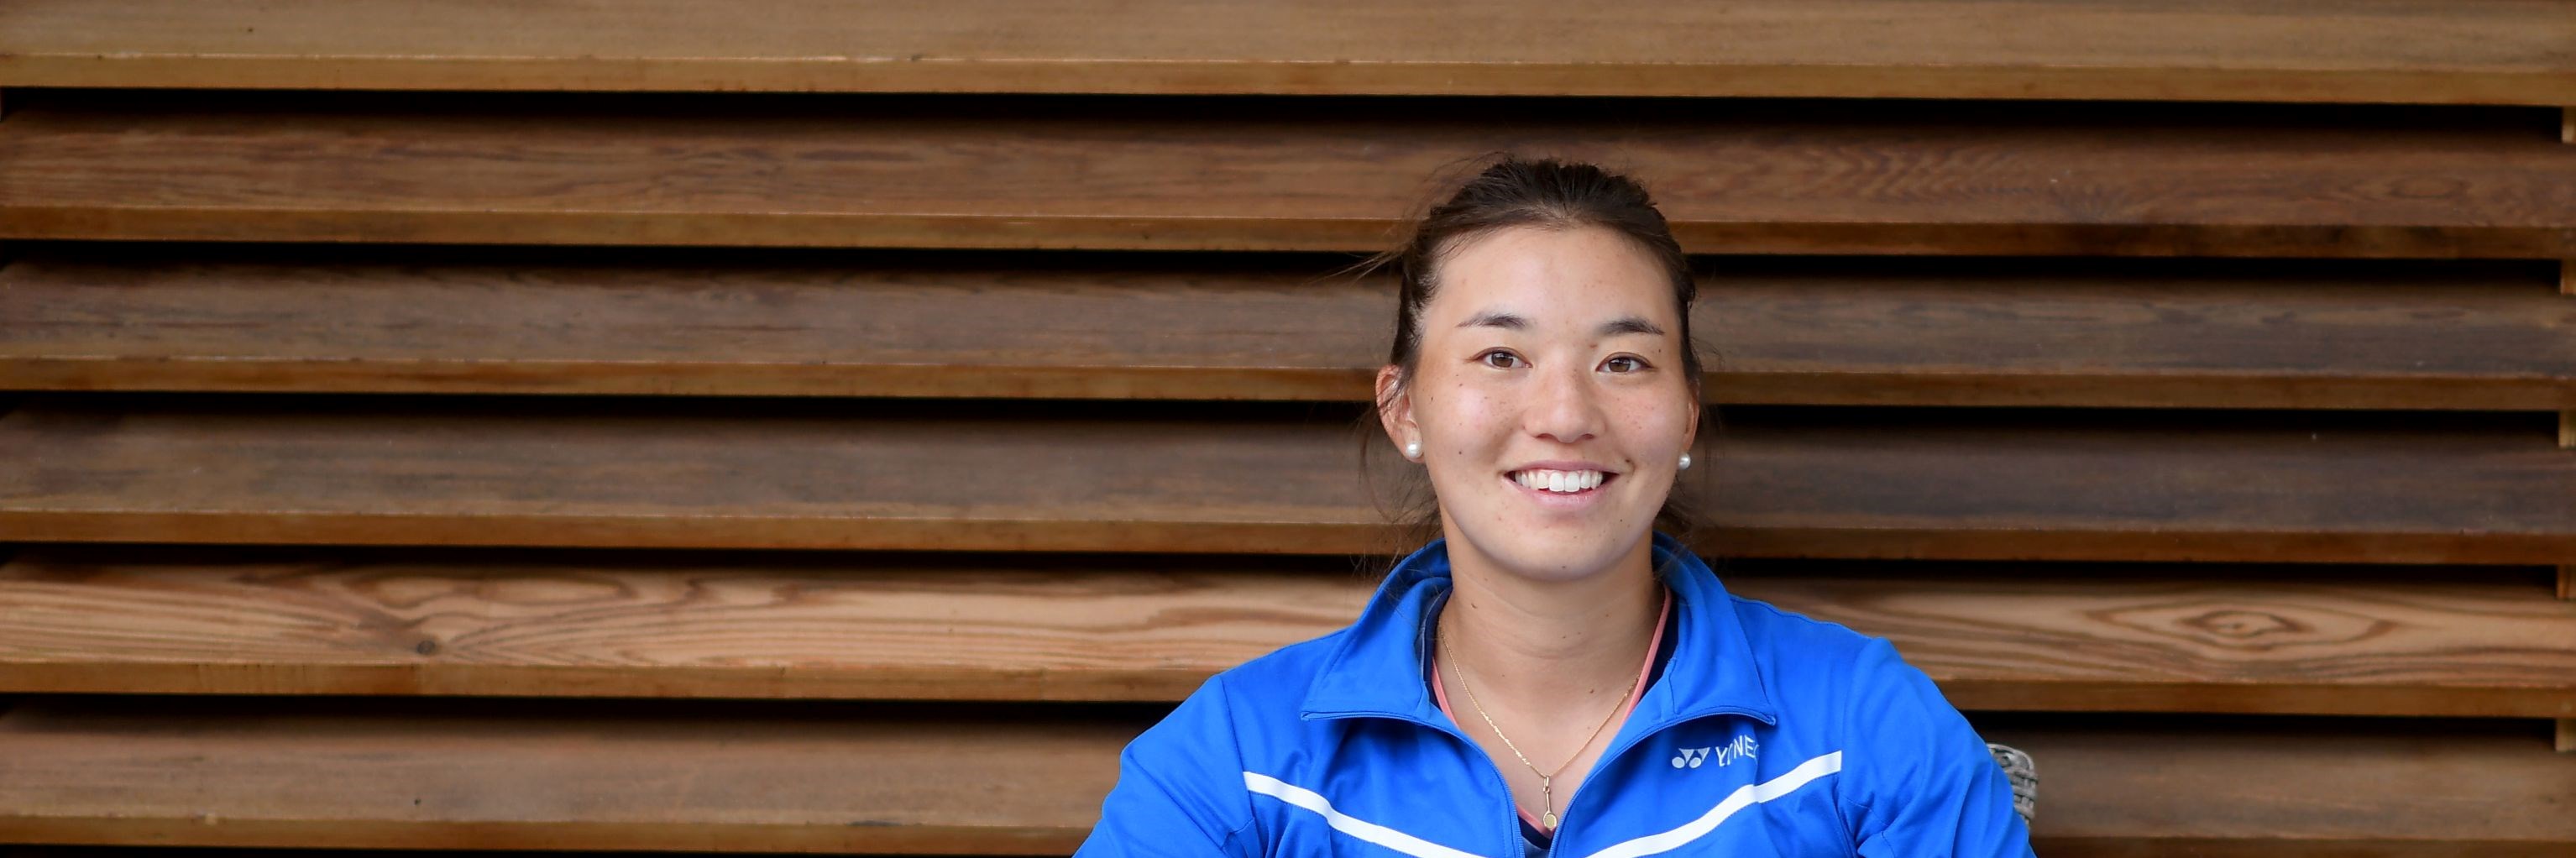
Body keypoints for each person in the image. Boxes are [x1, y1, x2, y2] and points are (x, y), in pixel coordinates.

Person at [1076, 157, 2034, 857]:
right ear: (1404, 408)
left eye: (1623, 361)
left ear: (1685, 411)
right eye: (1501, 356)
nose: (1566, 415)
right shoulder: (1239, 755)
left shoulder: (1859, 721)